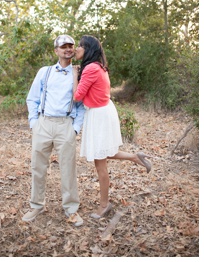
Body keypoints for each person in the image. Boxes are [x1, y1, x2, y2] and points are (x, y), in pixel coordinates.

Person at [72, 35, 152, 219]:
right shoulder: (99, 66)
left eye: (79, 46)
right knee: (103, 153)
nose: (76, 49)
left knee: (100, 163)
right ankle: (134, 157)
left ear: (88, 49)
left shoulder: (91, 68)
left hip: (99, 115)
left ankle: (104, 205)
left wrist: (73, 76)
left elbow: (77, 96)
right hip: (102, 111)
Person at [24, 35, 86, 227]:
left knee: (68, 168)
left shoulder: (79, 73)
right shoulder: (45, 72)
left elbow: (82, 104)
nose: (68, 49)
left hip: (65, 124)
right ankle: (36, 205)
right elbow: (32, 98)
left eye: (71, 46)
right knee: (38, 167)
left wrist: (75, 128)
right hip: (44, 123)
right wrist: (34, 122)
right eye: (63, 46)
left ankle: (71, 209)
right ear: (56, 51)